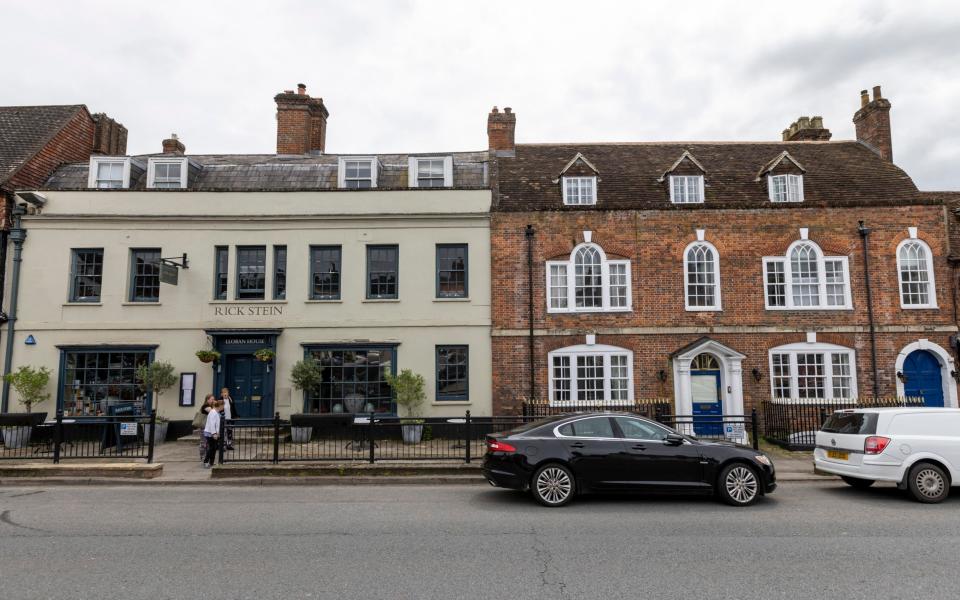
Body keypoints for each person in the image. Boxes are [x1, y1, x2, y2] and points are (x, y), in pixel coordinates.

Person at [203, 399, 223, 468]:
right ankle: (206, 461)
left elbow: (217, 424)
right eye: (223, 406)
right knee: (211, 448)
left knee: (214, 448)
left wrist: (217, 433)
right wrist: (214, 433)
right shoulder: (213, 412)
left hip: (214, 433)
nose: (223, 408)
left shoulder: (216, 412)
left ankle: (211, 462)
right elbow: (212, 424)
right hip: (210, 433)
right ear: (220, 406)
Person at [195, 394, 216, 462]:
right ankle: (203, 456)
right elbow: (212, 412)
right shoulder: (205, 406)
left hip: (208, 427)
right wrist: (216, 405)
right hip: (204, 427)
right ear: (207, 399)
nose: (213, 401)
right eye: (212, 399)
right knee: (204, 442)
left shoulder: (210, 406)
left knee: (208, 442)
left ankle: (207, 456)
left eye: (213, 399)